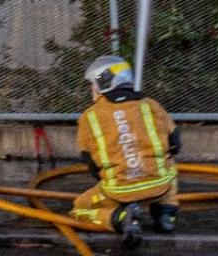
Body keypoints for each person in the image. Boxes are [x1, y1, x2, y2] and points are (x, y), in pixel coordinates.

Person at [72, 55, 180, 249]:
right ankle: (166, 214)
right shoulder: (151, 105)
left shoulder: (89, 116)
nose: (92, 89)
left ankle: (119, 218)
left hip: (118, 192)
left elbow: (90, 163)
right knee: (169, 165)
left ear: (103, 83)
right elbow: (175, 144)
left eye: (93, 84)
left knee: (79, 208)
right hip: (160, 186)